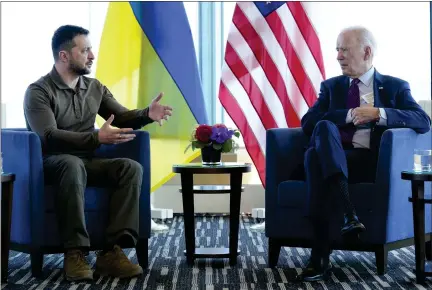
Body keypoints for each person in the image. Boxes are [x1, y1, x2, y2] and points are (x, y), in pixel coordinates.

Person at [23, 25, 173, 281]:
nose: (92, 55)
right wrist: (96, 137)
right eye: (85, 50)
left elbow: (122, 115)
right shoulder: (38, 91)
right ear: (64, 56)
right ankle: (74, 252)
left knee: (130, 168)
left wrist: (146, 114)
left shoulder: (94, 88)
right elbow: (48, 136)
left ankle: (111, 253)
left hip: (87, 162)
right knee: (71, 164)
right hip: (52, 164)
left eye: (90, 49)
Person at [296, 26, 431, 282]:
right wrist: (349, 115)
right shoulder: (331, 87)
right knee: (321, 139)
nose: (338, 56)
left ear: (367, 51)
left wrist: (379, 114)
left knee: (314, 160)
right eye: (337, 50)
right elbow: (307, 123)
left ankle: (320, 255)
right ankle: (349, 213)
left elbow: (422, 120)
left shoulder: (394, 87)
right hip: (335, 157)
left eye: (344, 49)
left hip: (369, 163)